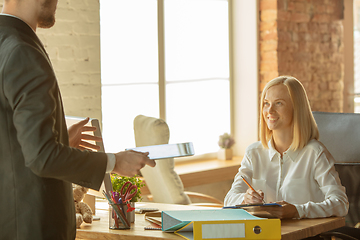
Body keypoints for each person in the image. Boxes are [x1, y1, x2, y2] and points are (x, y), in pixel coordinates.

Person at [0, 0, 156, 239]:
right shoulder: (23, 51)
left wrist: (60, 143)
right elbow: (42, 157)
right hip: (33, 226)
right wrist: (115, 162)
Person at [224, 76, 349, 220]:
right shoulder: (253, 153)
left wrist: (298, 210)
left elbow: (340, 203)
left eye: (278, 103)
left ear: (296, 108)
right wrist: (245, 199)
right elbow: (229, 199)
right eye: (266, 103)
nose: (269, 110)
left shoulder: (315, 153)